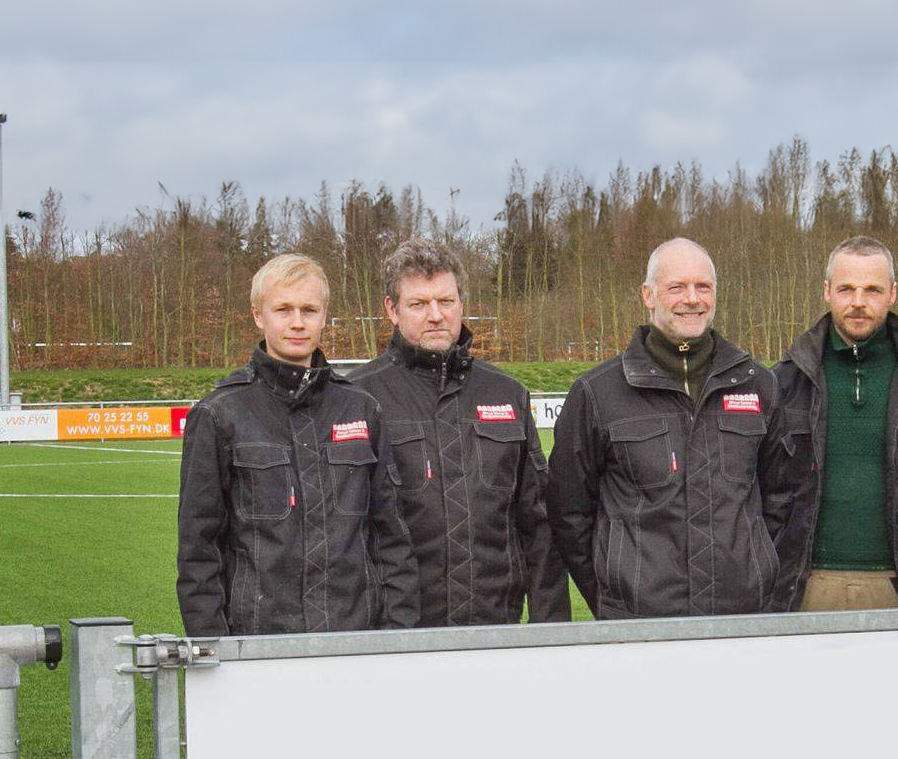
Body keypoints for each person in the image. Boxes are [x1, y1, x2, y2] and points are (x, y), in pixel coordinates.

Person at [545, 237, 797, 618]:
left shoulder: (759, 385)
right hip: (638, 623)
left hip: (740, 618)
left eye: (703, 287)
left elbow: (779, 498)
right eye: (677, 287)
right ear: (649, 295)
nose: (692, 299)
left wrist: (754, 573)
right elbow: (569, 512)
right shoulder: (597, 393)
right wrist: (613, 594)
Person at [176, 253, 420, 635]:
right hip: (260, 645)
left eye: (309, 310)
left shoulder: (361, 408)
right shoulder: (219, 414)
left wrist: (398, 632)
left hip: (355, 640)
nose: (297, 322)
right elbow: (198, 551)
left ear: (325, 317)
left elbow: (391, 536)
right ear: (259, 315)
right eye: (283, 309)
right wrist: (214, 649)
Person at [348, 238, 569, 626]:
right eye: (419, 304)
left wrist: (551, 631)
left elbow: (538, 526)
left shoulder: (507, 394)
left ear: (461, 304)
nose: (435, 315)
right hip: (395, 640)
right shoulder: (359, 399)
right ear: (392, 310)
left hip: (495, 632)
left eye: (445, 302)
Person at [773, 237, 898, 610]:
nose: (858, 301)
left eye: (872, 290)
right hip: (805, 586)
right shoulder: (784, 382)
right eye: (846, 289)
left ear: (893, 293)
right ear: (827, 292)